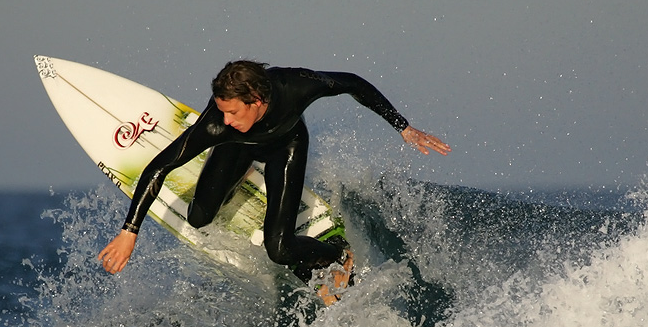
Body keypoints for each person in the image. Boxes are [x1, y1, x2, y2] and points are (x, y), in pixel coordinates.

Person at [98, 60, 450, 302]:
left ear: (257, 100)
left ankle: (337, 256)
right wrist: (130, 230)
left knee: (279, 249)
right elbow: (159, 167)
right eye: (221, 110)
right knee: (198, 218)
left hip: (287, 146)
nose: (225, 118)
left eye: (233, 111)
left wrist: (403, 126)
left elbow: (352, 83)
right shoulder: (219, 126)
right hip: (236, 148)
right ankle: (243, 174)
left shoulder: (296, 85)